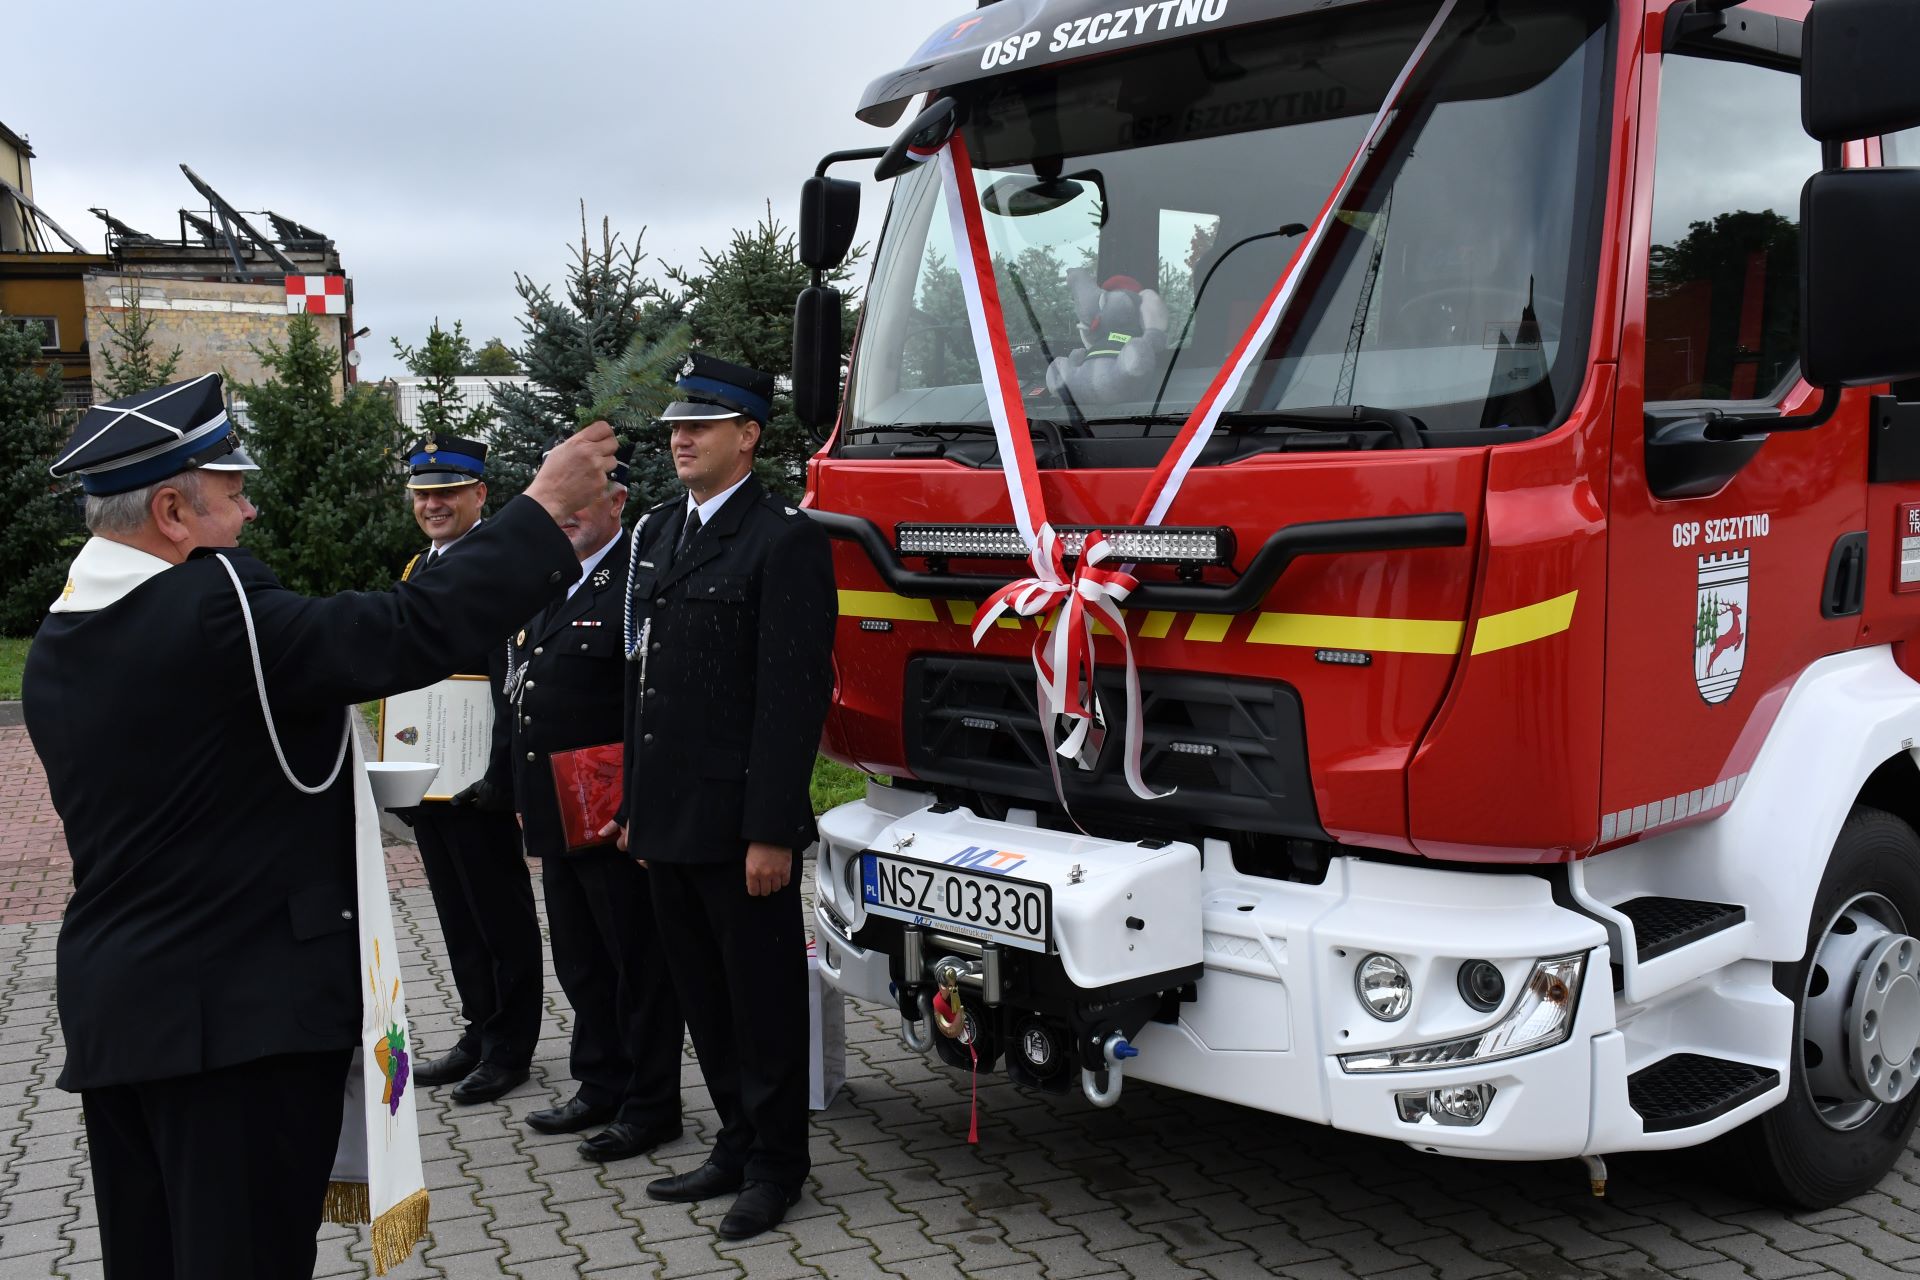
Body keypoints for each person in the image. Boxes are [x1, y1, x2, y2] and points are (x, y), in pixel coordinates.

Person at [21, 371, 617, 1279]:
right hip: (235, 1024)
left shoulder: (63, 635)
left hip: (123, 1012)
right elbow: (410, 627)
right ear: (172, 512)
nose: (251, 511)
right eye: (233, 492)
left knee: (154, 1257)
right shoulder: (212, 609)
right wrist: (540, 508)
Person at [608, 353, 836, 1241]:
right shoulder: (661, 530)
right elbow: (644, 682)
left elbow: (791, 699)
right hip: (668, 816)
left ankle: (778, 1166)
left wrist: (772, 829)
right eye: (676, 425)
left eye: (700, 424)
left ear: (748, 435)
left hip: (742, 824)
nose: (680, 438)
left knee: (761, 1003)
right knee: (703, 996)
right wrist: (634, 804)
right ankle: (736, 1141)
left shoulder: (783, 539)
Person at [509, 448, 684, 1161]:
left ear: (618, 503)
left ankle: (651, 1105)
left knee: (635, 964)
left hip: (610, 813)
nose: (570, 513)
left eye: (587, 497)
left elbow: (650, 708)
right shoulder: (548, 580)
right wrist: (520, 794)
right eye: (564, 499)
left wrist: (637, 804)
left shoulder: (637, 588)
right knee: (582, 960)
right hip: (557, 808)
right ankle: (600, 1082)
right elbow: (523, 692)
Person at [395, 434, 544, 1105]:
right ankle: (478, 1030)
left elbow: (515, 681)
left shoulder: (499, 569)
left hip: (482, 778)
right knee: (456, 913)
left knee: (499, 914)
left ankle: (511, 1047)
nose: (433, 504)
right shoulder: (416, 568)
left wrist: (503, 777)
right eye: (423, 493)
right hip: (430, 776)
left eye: (448, 492)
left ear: (480, 494)